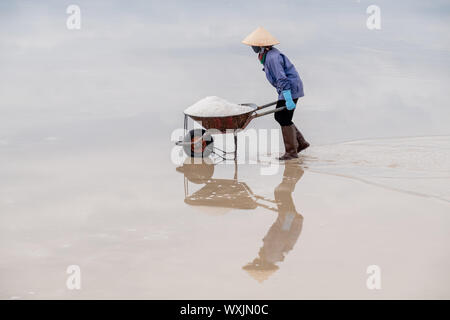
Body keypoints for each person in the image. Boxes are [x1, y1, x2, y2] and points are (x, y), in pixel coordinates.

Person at [242, 27, 310, 160]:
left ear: (261, 45)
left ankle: (292, 152)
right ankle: (300, 143)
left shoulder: (272, 57)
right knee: (281, 116)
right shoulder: (267, 55)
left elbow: (281, 78)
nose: (252, 48)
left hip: (290, 88)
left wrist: (288, 97)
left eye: (254, 45)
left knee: (283, 117)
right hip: (287, 88)